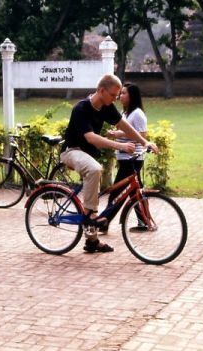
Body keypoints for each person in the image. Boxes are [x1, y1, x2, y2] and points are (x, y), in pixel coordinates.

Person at [60, 74, 158, 253]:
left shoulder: (106, 106)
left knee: (94, 181)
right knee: (95, 169)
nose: (116, 99)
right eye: (114, 95)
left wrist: (145, 143)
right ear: (101, 91)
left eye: (119, 95)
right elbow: (91, 138)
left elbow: (125, 126)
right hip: (71, 151)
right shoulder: (81, 108)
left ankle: (92, 241)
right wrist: (120, 145)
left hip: (87, 154)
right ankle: (91, 216)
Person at [100, 82, 148, 234]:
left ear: (132, 96)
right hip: (124, 157)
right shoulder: (125, 112)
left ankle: (104, 221)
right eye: (120, 93)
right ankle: (144, 221)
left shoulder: (137, 114)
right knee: (135, 193)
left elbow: (143, 136)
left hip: (132, 158)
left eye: (124, 93)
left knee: (117, 192)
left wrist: (118, 134)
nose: (120, 96)